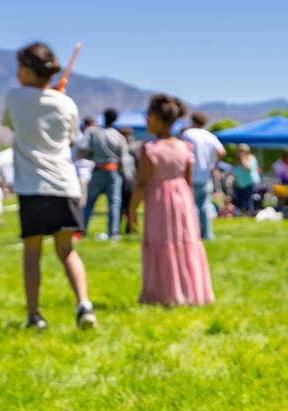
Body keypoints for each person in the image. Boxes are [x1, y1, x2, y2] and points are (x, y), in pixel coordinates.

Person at [1, 41, 96, 331]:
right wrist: (57, 100)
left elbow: (14, 125)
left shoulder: (14, 98)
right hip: (64, 186)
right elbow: (70, 139)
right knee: (67, 250)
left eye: (20, 67)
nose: (16, 73)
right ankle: (84, 306)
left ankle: (34, 317)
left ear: (29, 70)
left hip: (33, 187)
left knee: (32, 253)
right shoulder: (67, 103)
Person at [128, 94, 214, 307]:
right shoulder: (184, 147)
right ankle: (189, 292)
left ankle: (162, 293)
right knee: (184, 243)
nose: (146, 120)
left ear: (158, 118)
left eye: (148, 115)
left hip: (159, 200)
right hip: (182, 200)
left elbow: (141, 184)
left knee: (162, 243)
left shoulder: (150, 148)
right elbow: (188, 180)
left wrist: (131, 211)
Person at [77, 108, 130, 241]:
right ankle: (113, 234)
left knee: (89, 202)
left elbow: (82, 150)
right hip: (113, 172)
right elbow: (124, 158)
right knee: (114, 203)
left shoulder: (92, 132)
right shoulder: (118, 136)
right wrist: (122, 173)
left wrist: (92, 155)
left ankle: (82, 231)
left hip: (97, 170)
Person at [181, 111, 225, 240]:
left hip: (191, 175)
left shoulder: (187, 134)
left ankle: (192, 234)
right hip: (206, 176)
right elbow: (222, 151)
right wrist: (214, 164)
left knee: (192, 206)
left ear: (192, 121)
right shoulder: (209, 136)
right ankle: (207, 234)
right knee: (205, 206)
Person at [232, 144, 260, 214]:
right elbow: (236, 173)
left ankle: (249, 213)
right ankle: (242, 213)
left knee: (248, 201)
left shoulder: (251, 158)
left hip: (250, 184)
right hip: (240, 185)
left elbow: (248, 169)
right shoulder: (238, 161)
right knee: (238, 201)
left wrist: (243, 160)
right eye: (239, 151)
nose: (240, 152)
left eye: (242, 151)